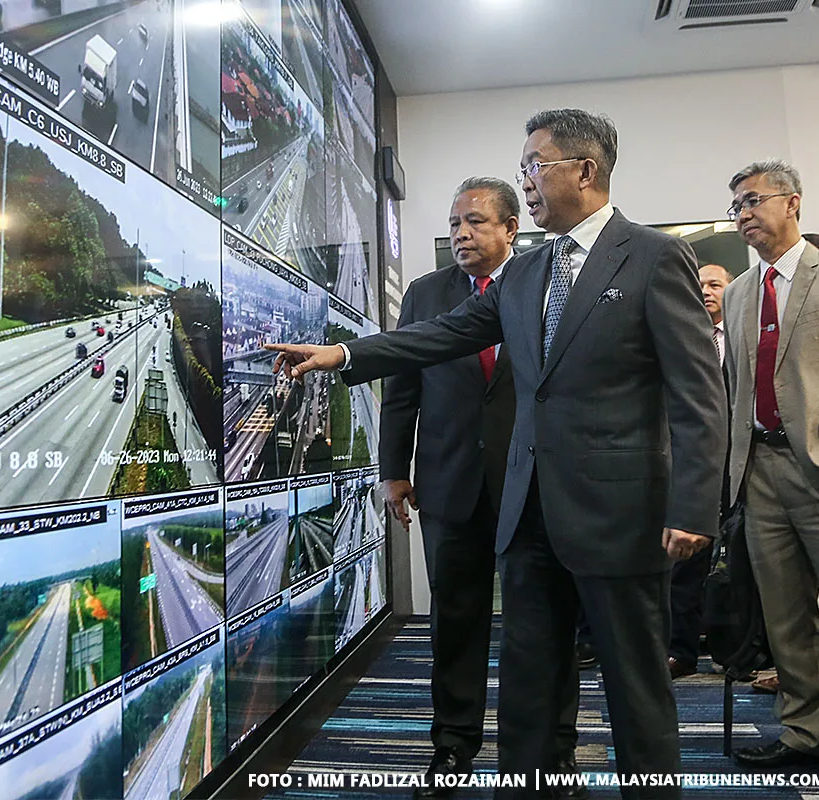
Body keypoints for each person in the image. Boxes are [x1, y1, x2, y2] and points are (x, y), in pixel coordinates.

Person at [267, 108, 725, 798]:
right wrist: (341, 353)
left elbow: (700, 394)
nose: (527, 182)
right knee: (528, 682)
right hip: (527, 517)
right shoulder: (527, 271)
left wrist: (693, 505)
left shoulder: (655, 257)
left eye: (534, 166)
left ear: (585, 170)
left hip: (620, 516)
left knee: (635, 686)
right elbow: (440, 335)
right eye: (523, 169)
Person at [381, 177, 581, 798]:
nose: (461, 234)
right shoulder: (424, 294)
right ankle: (452, 747)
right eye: (454, 224)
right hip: (449, 482)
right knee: (455, 621)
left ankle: (554, 754)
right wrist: (394, 470)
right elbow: (402, 387)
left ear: (510, 229)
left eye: (475, 222)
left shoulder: (543, 285)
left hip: (532, 483)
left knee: (544, 623)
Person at [723, 161, 819, 768]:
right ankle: (807, 735)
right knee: (786, 616)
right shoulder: (740, 293)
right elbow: (735, 388)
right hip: (760, 474)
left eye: (753, 200)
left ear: (792, 203)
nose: (743, 213)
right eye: (735, 204)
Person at [668, 264, 733, 679]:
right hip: (688, 463)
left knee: (745, 562)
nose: (705, 291)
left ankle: (743, 649)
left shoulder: (741, 334)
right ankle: (681, 650)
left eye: (715, 284)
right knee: (685, 564)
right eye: (699, 285)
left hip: (743, 463)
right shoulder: (678, 338)